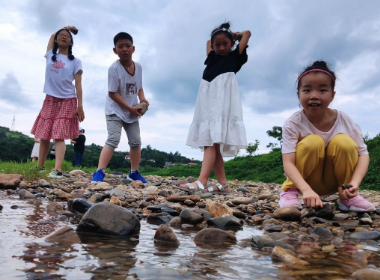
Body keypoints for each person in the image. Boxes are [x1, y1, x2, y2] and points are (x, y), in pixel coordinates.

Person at [279, 61, 375, 212]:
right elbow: (288, 162)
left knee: (343, 142)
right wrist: (306, 189)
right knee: (313, 142)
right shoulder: (293, 123)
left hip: (335, 182)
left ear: (332, 95)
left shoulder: (344, 120)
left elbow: (363, 154)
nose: (314, 96)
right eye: (307, 90)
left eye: (323, 90)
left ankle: (347, 196)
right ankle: (290, 192)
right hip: (304, 182)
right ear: (298, 95)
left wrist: (355, 182)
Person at [180, 22, 251, 193]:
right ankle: (223, 184)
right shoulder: (212, 58)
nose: (221, 47)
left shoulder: (235, 58)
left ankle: (201, 180)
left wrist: (232, 35)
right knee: (213, 145)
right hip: (206, 104)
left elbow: (247, 33)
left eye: (225, 43)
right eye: (217, 45)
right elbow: (207, 43)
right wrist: (223, 35)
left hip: (221, 104)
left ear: (232, 44)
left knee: (210, 142)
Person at [91, 32, 149, 183]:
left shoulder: (139, 67)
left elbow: (140, 87)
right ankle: (99, 172)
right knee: (113, 139)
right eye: (120, 46)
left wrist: (142, 99)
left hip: (132, 110)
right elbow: (112, 94)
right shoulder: (114, 69)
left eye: (128, 46)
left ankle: (134, 172)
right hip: (115, 110)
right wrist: (129, 109)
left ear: (133, 48)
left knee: (136, 142)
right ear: (115, 50)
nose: (124, 49)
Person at [31, 26, 84, 179]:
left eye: (67, 36)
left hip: (67, 100)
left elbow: (79, 85)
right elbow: (52, 34)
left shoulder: (75, 61)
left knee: (59, 135)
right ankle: (39, 167)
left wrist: (80, 106)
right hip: (50, 99)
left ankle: (57, 170)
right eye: (61, 35)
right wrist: (66, 27)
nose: (64, 37)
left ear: (71, 43)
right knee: (44, 134)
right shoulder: (50, 55)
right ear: (56, 40)